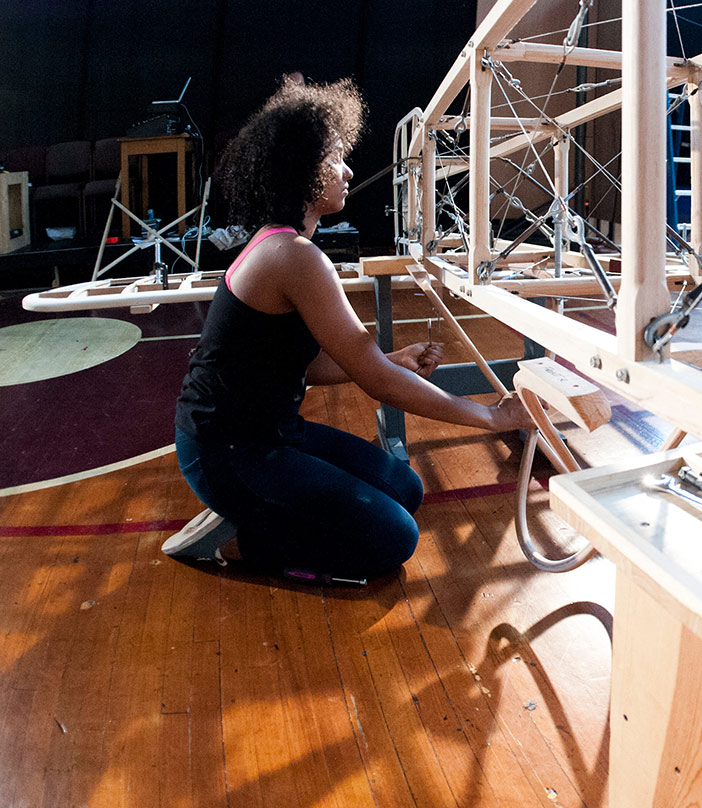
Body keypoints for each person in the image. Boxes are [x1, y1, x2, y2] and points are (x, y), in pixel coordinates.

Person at [164, 75, 530, 580]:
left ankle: (259, 508)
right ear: (304, 170)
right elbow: (375, 383)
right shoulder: (291, 255)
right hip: (226, 449)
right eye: (335, 157)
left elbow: (303, 364)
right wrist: (491, 417)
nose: (347, 169)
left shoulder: (284, 246)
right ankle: (234, 538)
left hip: (271, 433)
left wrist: (393, 360)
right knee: (393, 539)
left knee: (406, 490)